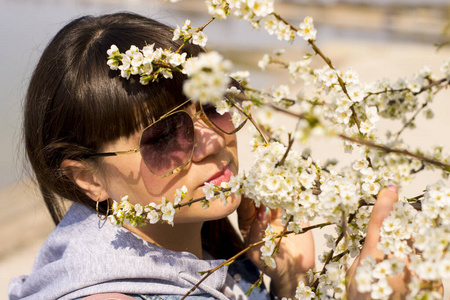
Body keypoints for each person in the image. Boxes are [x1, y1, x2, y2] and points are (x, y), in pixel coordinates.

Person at [8, 12, 404, 300]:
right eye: (163, 135)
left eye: (214, 104)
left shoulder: (212, 256)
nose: (212, 141)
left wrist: (289, 282)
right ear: (89, 179)